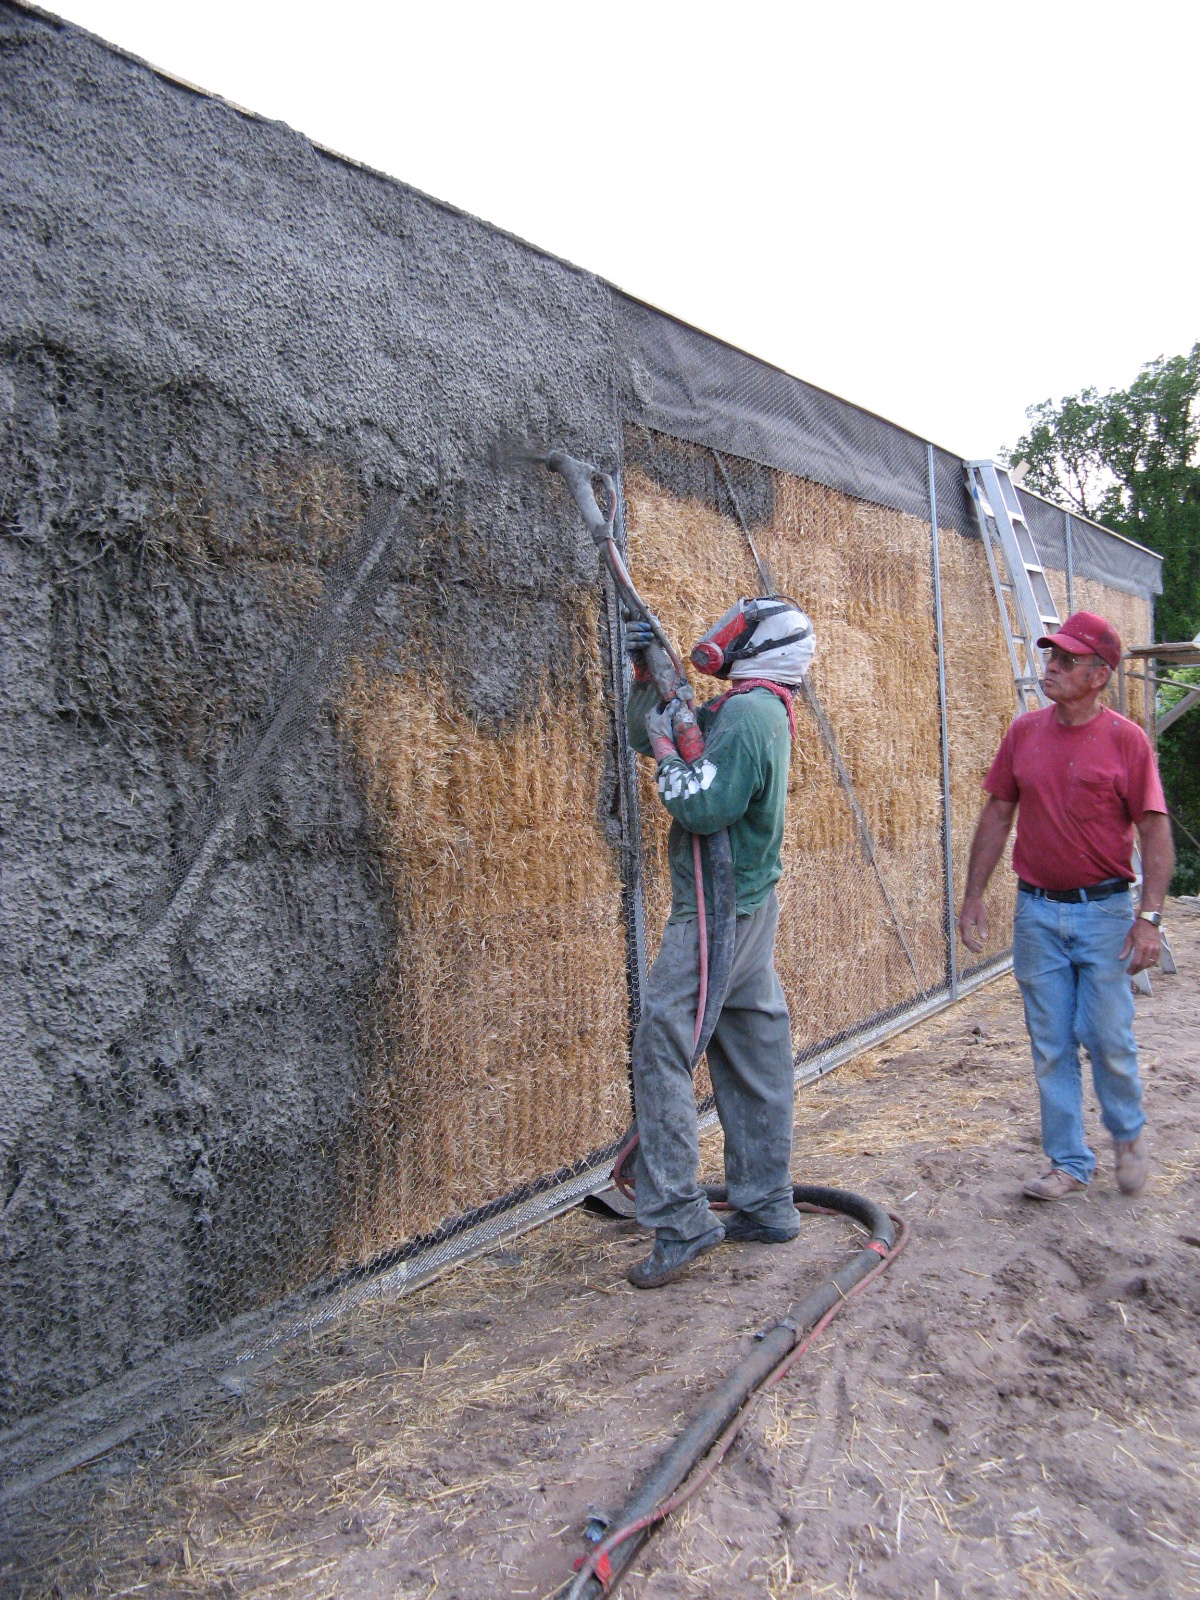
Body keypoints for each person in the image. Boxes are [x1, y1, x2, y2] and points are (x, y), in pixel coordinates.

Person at [622, 596, 815, 1287]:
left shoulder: (750, 713)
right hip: (750, 904)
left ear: (763, 645)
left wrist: (674, 751)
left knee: (661, 1044)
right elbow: (652, 733)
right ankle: (765, 1203)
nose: (722, 635)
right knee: (753, 1044)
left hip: (717, 903)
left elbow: (703, 805)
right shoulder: (754, 706)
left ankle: (679, 1220)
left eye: (741, 628)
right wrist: (651, 678)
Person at [957, 611, 1174, 1200]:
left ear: (1098, 676)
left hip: (1105, 914)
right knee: (1050, 1041)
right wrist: (974, 895)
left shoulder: (1126, 741)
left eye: (1065, 660)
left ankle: (1127, 1135)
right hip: (1036, 913)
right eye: (1051, 656)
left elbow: (1154, 832)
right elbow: (998, 812)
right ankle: (1068, 1162)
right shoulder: (1024, 733)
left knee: (1107, 1036)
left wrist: (1149, 917)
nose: (1049, 666)